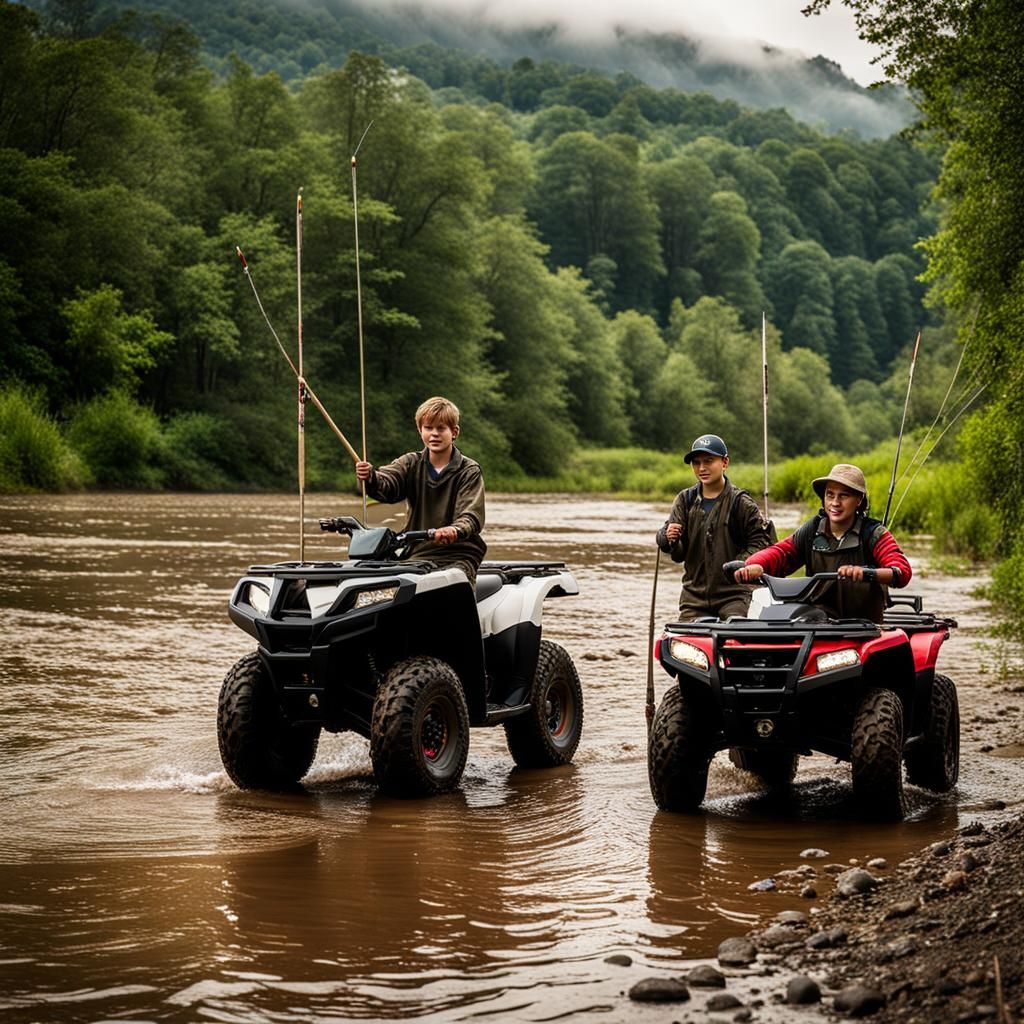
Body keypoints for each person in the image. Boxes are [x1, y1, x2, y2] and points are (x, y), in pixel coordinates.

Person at [733, 463, 911, 622]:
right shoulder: (812, 530)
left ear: (859, 501)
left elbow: (902, 572)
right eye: (830, 495)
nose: (835, 503)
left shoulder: (873, 533)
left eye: (844, 496)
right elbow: (782, 553)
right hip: (819, 623)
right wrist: (754, 566)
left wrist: (867, 573)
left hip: (864, 627)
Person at [355, 396, 486, 583]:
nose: (434, 434)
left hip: (458, 555)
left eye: (441, 428)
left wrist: (454, 530)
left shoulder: (469, 470)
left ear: (454, 432)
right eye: (428, 428)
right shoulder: (410, 463)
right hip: (417, 553)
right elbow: (386, 485)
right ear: (420, 430)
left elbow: (471, 516)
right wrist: (370, 477)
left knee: (454, 587)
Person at [656, 433, 773, 620]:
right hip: (693, 598)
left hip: (735, 596)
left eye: (709, 461)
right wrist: (668, 538)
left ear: (725, 462)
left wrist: (739, 566)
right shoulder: (684, 500)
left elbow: (763, 543)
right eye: (696, 462)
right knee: (684, 643)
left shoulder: (742, 503)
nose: (702, 468)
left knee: (734, 640)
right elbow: (676, 552)